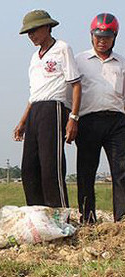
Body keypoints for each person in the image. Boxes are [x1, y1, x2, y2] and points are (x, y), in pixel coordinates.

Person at [14, 10, 81, 208]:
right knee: (29, 168)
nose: (31, 35)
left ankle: (60, 214)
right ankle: (37, 213)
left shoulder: (62, 48)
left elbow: (76, 84)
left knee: (50, 166)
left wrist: (73, 118)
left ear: (47, 27)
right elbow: (34, 94)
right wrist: (23, 121)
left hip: (54, 108)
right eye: (28, 32)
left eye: (34, 30)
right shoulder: (35, 58)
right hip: (35, 109)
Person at [75, 13, 125, 223]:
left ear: (115, 36)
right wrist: (72, 119)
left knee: (121, 171)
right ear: (91, 35)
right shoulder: (79, 60)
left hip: (117, 122)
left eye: (107, 37)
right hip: (88, 121)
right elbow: (72, 93)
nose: (102, 41)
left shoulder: (121, 63)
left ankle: (121, 219)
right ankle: (87, 218)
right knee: (86, 171)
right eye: (98, 36)